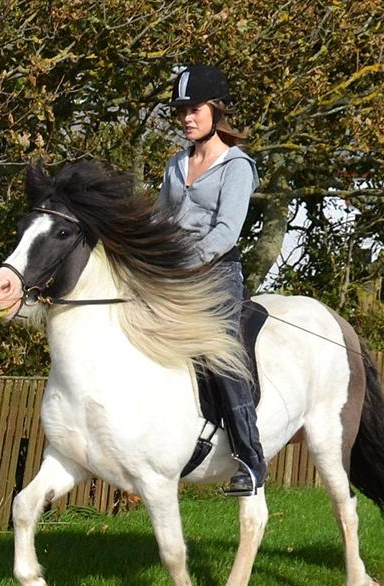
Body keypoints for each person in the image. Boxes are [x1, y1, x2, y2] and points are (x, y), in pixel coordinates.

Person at [156, 64, 265, 496]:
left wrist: (185, 262)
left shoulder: (237, 166)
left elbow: (226, 232)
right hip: (174, 273)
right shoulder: (175, 165)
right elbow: (160, 219)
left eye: (194, 108)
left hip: (215, 273)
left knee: (221, 353)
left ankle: (250, 459)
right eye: (181, 110)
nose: (186, 117)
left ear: (216, 111)